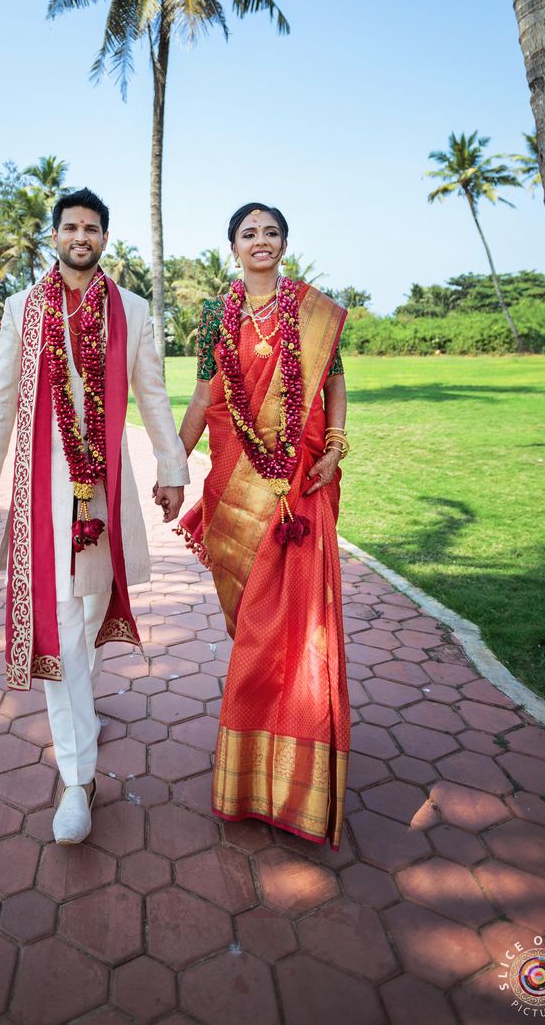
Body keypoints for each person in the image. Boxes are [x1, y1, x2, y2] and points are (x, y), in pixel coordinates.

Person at [0, 188, 188, 845]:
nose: (80, 236)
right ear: (55, 235)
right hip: (43, 487)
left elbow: (153, 395)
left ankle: (82, 712)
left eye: (91, 227)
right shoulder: (23, 309)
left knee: (92, 617)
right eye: (70, 226)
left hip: (106, 487)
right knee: (62, 636)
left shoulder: (133, 310)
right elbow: (1, 396)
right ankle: (78, 776)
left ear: (104, 237)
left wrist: (173, 467)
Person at [174, 202, 351, 849]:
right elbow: (201, 398)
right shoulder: (212, 317)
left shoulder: (316, 313)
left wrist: (334, 448)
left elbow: (332, 383)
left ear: (284, 243)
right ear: (233, 246)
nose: (261, 241)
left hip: (301, 490)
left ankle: (295, 783)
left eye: (271, 232)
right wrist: (173, 466)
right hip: (236, 488)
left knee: (301, 636)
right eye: (249, 233)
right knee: (252, 625)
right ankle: (251, 779)